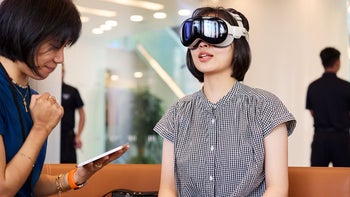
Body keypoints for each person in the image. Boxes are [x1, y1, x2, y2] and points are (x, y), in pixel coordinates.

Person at [154, 6, 296, 197]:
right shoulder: (177, 112)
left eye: (213, 33)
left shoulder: (265, 106)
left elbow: (277, 189)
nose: (202, 44)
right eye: (194, 37)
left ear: (237, 42)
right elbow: (167, 189)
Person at [0, 0, 129, 196]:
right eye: (54, 46)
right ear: (24, 31)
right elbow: (3, 188)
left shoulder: (30, 97)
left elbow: (26, 184)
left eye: (64, 48)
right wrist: (41, 128)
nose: (60, 59)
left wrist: (75, 178)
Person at [306, 47, 350, 167]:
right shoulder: (346, 87)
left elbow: (312, 112)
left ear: (323, 63)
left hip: (320, 138)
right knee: (344, 178)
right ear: (337, 62)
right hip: (341, 139)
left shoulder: (313, 87)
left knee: (317, 177)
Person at [61, 65, 86, 163]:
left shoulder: (72, 91)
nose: (61, 74)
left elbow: (82, 115)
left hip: (68, 137)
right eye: (59, 72)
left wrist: (78, 135)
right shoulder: (48, 91)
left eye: (63, 71)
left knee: (70, 167)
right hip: (51, 137)